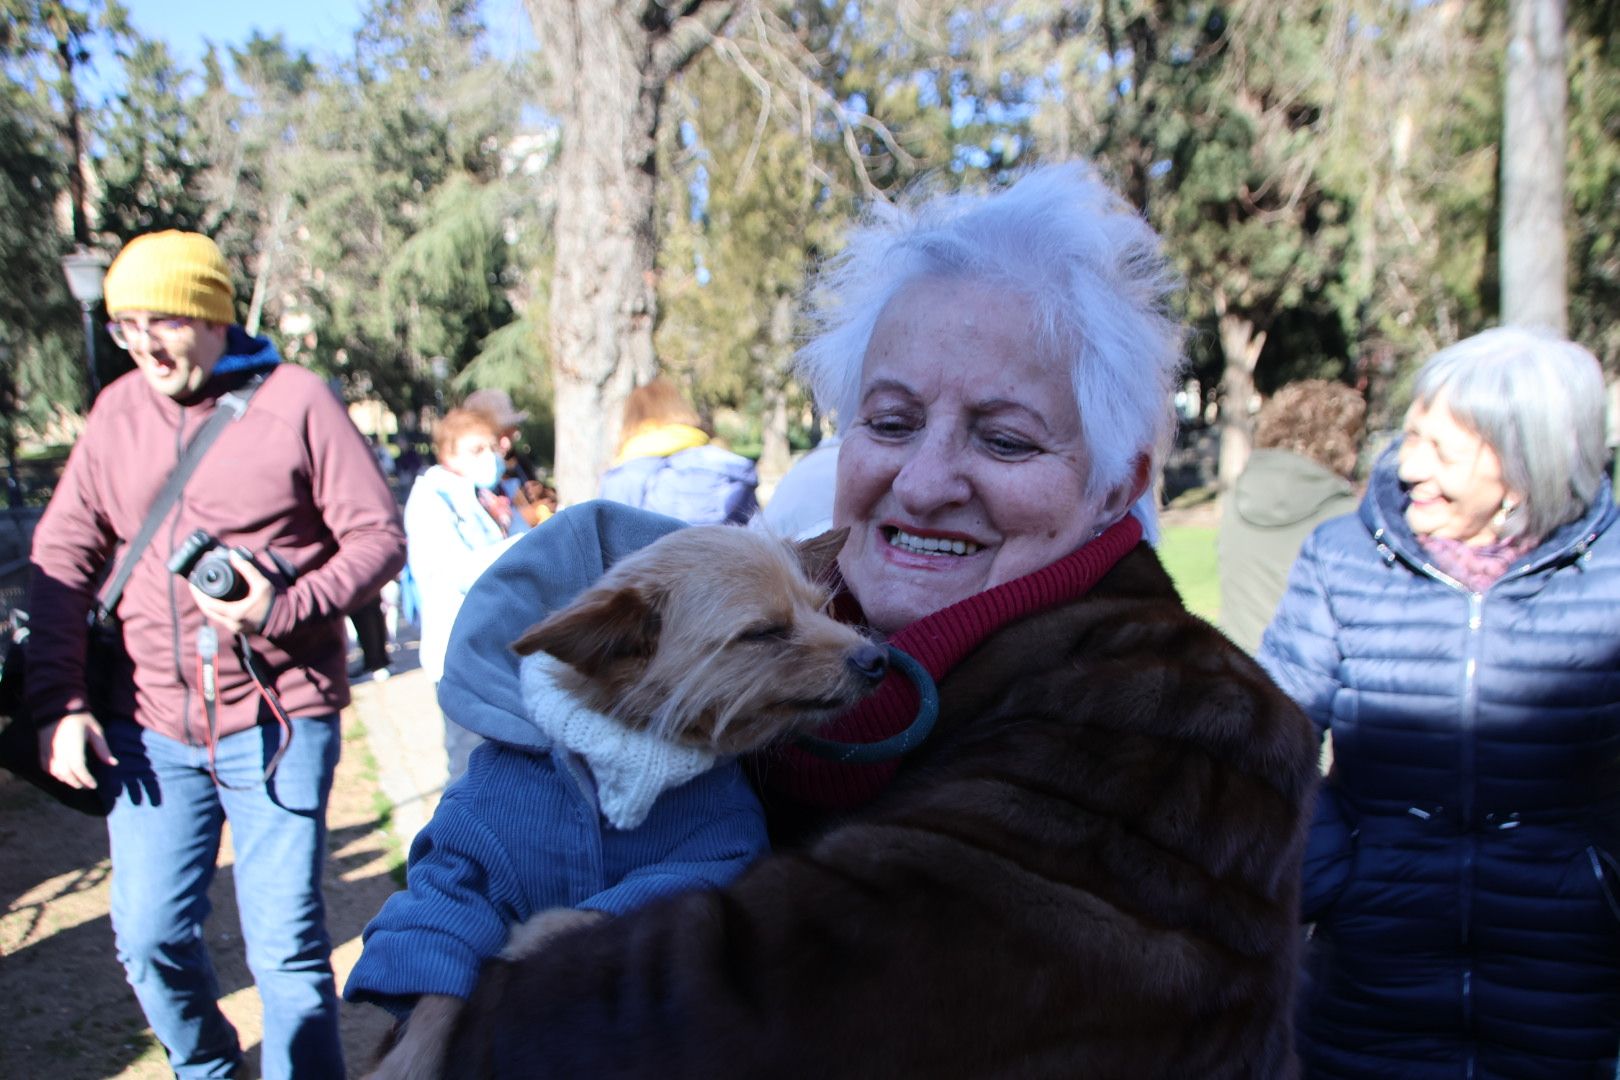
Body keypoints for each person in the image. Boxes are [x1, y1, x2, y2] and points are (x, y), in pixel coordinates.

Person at [360, 163, 1320, 1076]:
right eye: (892, 422)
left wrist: (470, 1012)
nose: (928, 480)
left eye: (1006, 438)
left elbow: (769, 1029)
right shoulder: (742, 612)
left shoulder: (1188, 733)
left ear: (1120, 483)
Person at [24, 230, 406, 1079]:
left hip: (278, 721)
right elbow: (61, 561)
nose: (142, 344)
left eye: (160, 320)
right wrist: (59, 703)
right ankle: (207, 1068)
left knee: (288, 956)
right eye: (124, 324)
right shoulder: (115, 413)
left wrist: (286, 605)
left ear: (209, 314)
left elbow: (378, 539)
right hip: (150, 727)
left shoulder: (298, 400)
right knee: (150, 937)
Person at [1259, 327, 1620, 1078]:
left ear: (1527, 464)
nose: (1409, 466)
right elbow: (1268, 742)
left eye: (1443, 451)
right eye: (1411, 436)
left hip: (1564, 983)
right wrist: (1333, 871)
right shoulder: (1342, 557)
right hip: (1367, 978)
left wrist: (1597, 876)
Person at [402, 406, 516, 783]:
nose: (489, 458)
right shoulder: (433, 499)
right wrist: (526, 546)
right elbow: (456, 571)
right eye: (476, 450)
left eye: (490, 448)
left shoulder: (486, 496)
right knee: (469, 765)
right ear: (449, 454)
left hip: (499, 649)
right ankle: (459, 841)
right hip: (459, 654)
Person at [1218, 379, 1365, 654]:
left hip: (1237, 672)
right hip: (1304, 682)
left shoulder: (1236, 497)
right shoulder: (1349, 518)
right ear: (1341, 443)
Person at [598, 376, 759, 525]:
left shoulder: (621, 480)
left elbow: (611, 549)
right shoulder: (729, 468)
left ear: (631, 420)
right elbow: (758, 539)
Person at [463, 387, 543, 535]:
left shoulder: (510, 471)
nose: (506, 443)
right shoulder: (455, 492)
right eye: (498, 435)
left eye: (509, 433)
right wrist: (521, 519)